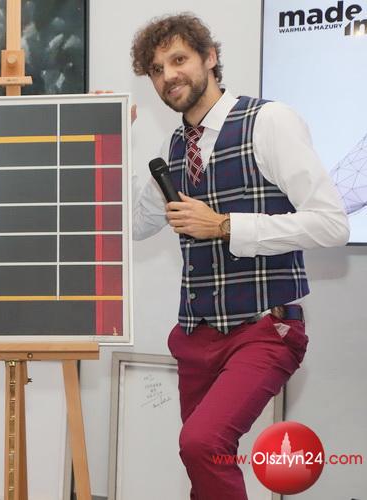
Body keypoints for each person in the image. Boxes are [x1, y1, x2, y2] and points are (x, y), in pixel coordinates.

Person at [130, 14, 348, 499]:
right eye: (157, 69)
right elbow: (138, 226)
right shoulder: (172, 148)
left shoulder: (270, 122)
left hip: (265, 329)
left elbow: (333, 224)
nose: (168, 76)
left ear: (210, 58)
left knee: (202, 443)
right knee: (204, 462)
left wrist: (226, 225)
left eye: (179, 59)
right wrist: (114, 141)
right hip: (196, 336)